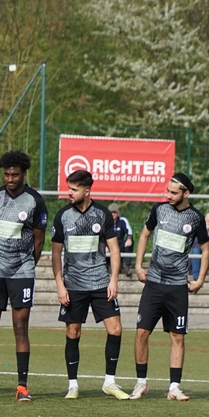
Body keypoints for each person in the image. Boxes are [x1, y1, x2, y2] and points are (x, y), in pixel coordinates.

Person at [0, 150, 48, 402]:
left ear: (24, 174)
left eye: (14, 175)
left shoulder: (35, 201)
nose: (10, 179)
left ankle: (22, 386)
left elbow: (39, 240)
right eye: (6, 175)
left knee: (20, 328)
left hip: (22, 273)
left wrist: (24, 263)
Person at [131, 173, 209, 401]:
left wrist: (200, 279)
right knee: (141, 332)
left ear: (186, 193)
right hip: (154, 283)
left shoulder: (196, 217)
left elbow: (206, 249)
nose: (169, 195)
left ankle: (174, 387)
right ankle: (141, 382)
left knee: (177, 336)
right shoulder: (159, 210)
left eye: (174, 192)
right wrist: (138, 265)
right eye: (168, 191)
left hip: (177, 287)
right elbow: (144, 235)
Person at [51, 170, 124, 400]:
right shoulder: (62, 216)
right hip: (73, 284)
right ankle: (73, 385)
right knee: (73, 331)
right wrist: (60, 285)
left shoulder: (102, 214)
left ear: (87, 190)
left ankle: (109, 382)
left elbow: (114, 250)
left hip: (101, 282)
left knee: (116, 329)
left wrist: (113, 280)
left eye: (74, 189)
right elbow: (56, 254)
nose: (69, 193)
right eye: (69, 188)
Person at [108, 203, 133, 275]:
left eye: (115, 212)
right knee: (102, 245)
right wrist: (105, 246)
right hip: (109, 244)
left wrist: (129, 238)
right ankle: (106, 267)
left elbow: (129, 231)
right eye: (111, 212)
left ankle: (127, 266)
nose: (113, 214)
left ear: (118, 213)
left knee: (129, 243)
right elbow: (102, 234)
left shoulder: (123, 220)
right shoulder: (106, 221)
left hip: (120, 243)